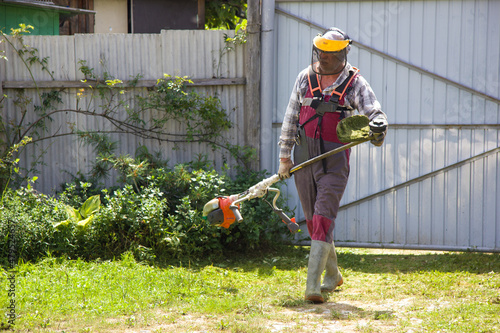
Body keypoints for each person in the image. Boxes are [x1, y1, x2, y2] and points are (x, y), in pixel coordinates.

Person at [277, 27, 388, 303]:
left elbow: (375, 114)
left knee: (324, 216)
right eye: (321, 51)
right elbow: (291, 117)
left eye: (330, 52)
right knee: (315, 221)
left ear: (343, 53)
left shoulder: (355, 83)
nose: (323, 57)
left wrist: (378, 126)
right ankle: (333, 275)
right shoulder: (305, 78)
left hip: (335, 161)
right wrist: (284, 157)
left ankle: (311, 286)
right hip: (304, 159)